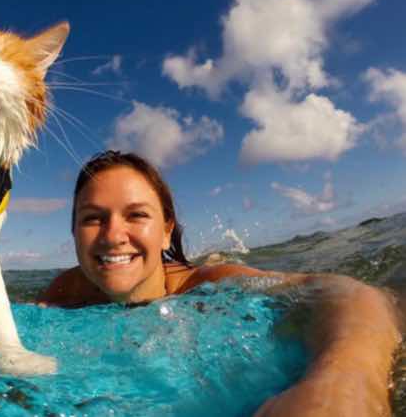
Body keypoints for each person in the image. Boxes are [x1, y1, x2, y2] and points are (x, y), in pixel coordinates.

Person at [38, 150, 401, 416]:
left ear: (166, 232)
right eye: (92, 219)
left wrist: (346, 383)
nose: (113, 235)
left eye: (136, 215)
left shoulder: (205, 285)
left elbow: (344, 294)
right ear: (73, 232)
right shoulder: (66, 292)